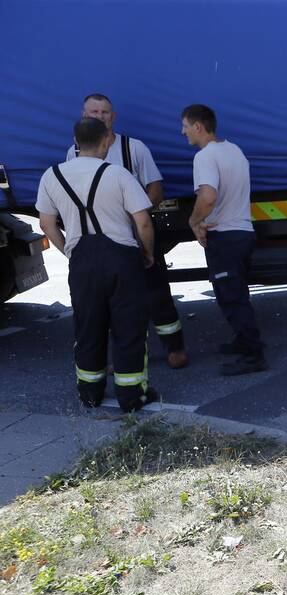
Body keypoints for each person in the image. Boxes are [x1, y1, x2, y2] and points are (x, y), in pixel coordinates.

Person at [38, 117, 159, 412]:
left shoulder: (52, 176)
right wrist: (147, 252)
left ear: (76, 143)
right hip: (122, 259)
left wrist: (69, 252)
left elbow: (46, 223)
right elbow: (142, 221)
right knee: (128, 327)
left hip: (82, 258)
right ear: (106, 141)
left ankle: (90, 392)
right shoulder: (118, 174)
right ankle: (132, 396)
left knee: (88, 326)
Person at [68, 93, 188, 369]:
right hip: (99, 238)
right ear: (84, 116)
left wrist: (135, 211)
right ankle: (122, 358)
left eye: (105, 112)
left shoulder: (133, 148)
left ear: (114, 117)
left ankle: (175, 348)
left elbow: (156, 188)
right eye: (94, 112)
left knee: (156, 291)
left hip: (136, 231)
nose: (99, 116)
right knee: (111, 301)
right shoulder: (72, 153)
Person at [181, 103, 267, 376]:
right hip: (242, 232)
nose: (182, 132)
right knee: (238, 292)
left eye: (185, 126)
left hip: (225, 237)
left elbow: (208, 196)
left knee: (232, 298)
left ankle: (254, 356)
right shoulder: (234, 150)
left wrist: (194, 222)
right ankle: (243, 342)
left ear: (198, 126)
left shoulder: (205, 157)